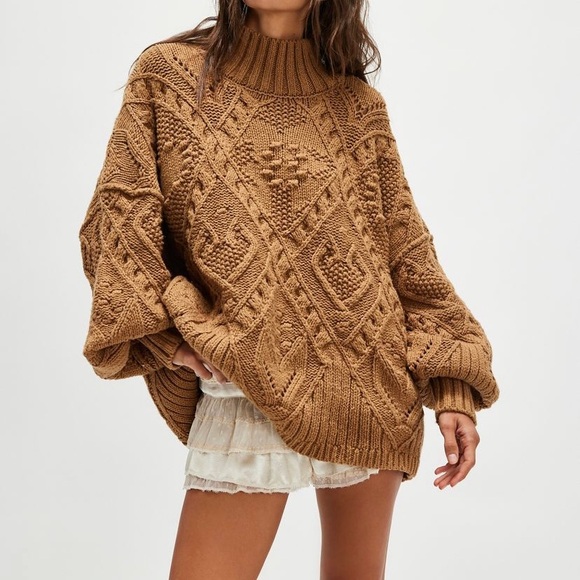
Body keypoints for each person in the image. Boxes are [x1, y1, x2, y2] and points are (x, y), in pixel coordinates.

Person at [78, 1, 499, 578]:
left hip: (368, 392)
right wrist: (169, 340)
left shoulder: (357, 107)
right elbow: (117, 223)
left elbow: (407, 258)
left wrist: (452, 389)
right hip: (245, 383)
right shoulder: (169, 77)